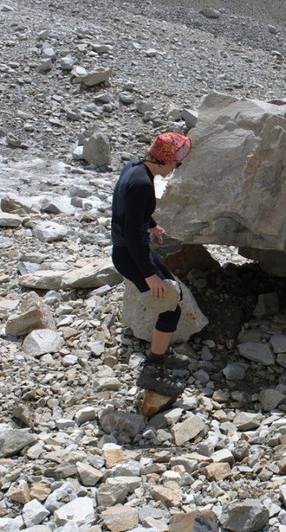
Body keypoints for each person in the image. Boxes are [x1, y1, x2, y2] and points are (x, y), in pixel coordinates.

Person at [111, 131, 192, 397]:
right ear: (165, 160)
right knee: (170, 308)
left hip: (131, 251)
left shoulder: (134, 168)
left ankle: (162, 352)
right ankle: (153, 370)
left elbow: (132, 213)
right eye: (176, 163)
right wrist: (149, 275)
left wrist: (154, 226)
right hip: (131, 254)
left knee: (174, 296)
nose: (176, 168)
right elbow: (133, 233)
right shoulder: (143, 184)